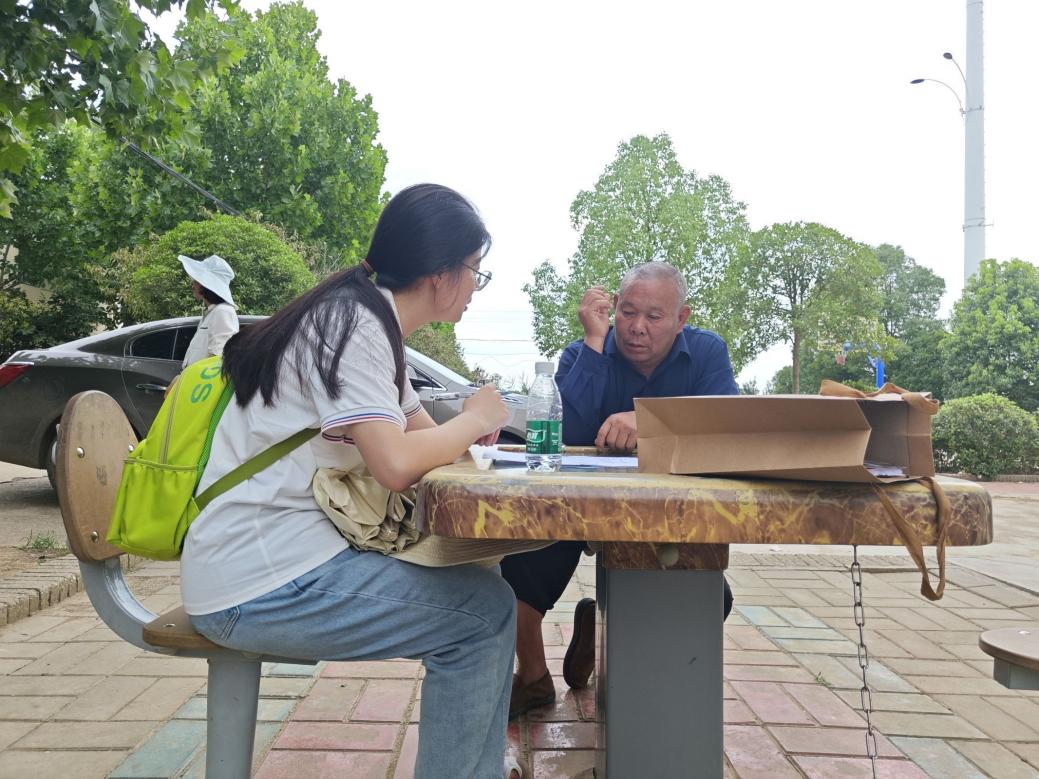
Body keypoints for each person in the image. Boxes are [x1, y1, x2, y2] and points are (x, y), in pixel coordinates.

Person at [181, 184, 522, 779]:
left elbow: (424, 445)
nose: (475, 287)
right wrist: (473, 419)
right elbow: (396, 464)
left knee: (481, 580)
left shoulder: (370, 324)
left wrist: (471, 438)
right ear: (440, 274)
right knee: (483, 616)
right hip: (258, 583)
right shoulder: (352, 325)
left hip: (269, 565)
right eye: (476, 271)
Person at [502, 261, 739, 718]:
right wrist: (594, 343)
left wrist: (649, 423)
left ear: (681, 318)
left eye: (654, 316)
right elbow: (561, 433)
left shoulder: (707, 352)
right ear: (614, 308)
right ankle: (532, 677)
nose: (636, 327)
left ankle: (603, 630)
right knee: (516, 564)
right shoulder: (581, 354)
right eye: (627, 312)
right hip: (575, 507)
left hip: (661, 512)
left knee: (710, 598)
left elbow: (726, 427)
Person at [179, 254, 240, 368]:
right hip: (193, 376)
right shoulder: (213, 311)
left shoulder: (223, 311)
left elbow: (218, 356)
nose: (193, 285)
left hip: (203, 378)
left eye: (196, 281)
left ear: (206, 285)